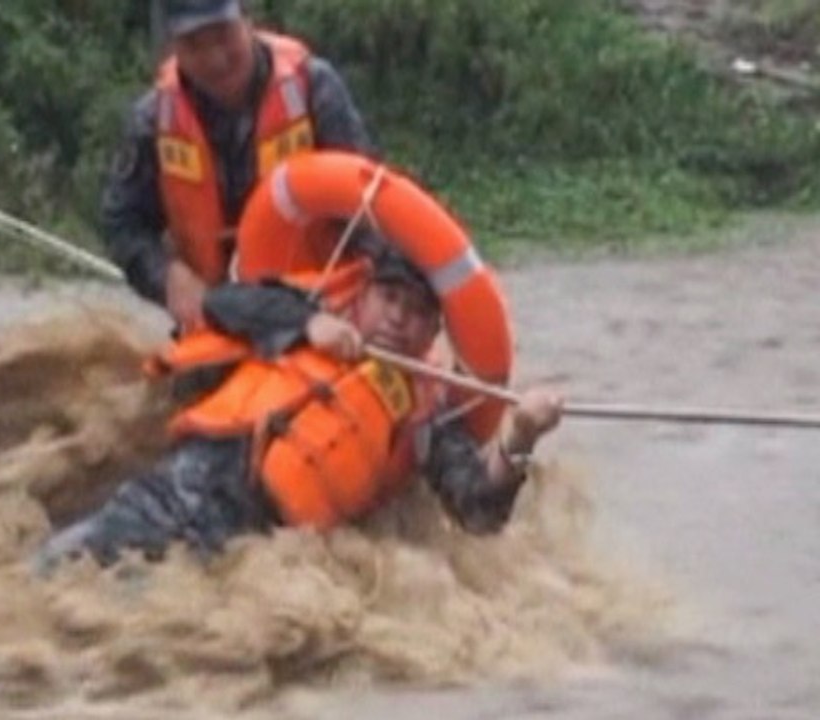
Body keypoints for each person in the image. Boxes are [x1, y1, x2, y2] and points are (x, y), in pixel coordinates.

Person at [36, 242, 563, 570]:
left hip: (251, 547)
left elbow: (479, 512)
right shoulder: (299, 313)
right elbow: (220, 304)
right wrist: (308, 325)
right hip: (172, 493)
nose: (399, 320)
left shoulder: (428, 414)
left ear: (434, 331)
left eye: (419, 312)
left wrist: (520, 437)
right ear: (363, 297)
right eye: (391, 299)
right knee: (51, 573)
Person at [103, 0, 377, 331]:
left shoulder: (314, 90)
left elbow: (368, 206)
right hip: (216, 320)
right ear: (173, 47)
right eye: (193, 45)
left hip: (323, 314)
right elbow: (123, 224)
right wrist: (166, 275)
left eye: (223, 35)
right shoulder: (152, 121)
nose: (216, 59)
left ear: (247, 20)